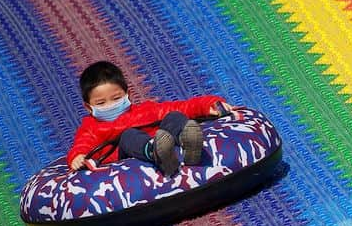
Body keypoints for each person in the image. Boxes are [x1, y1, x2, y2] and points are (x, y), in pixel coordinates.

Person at [67, 61, 231, 175]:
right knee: (128, 135)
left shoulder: (144, 111)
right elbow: (82, 144)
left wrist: (209, 104)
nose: (110, 105)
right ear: (89, 107)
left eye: (116, 98)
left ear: (127, 95)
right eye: (101, 102)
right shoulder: (90, 128)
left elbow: (180, 106)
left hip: (163, 139)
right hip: (130, 153)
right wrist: (78, 157)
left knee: (174, 116)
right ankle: (155, 151)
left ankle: (187, 140)